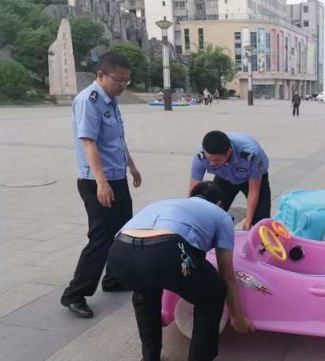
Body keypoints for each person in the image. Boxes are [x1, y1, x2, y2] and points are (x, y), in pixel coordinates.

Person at [107, 182, 254, 361]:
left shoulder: (164, 203)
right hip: (165, 252)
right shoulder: (220, 214)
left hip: (119, 254)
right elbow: (227, 275)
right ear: (220, 203)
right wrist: (238, 317)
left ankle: (150, 357)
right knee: (213, 292)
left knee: (144, 292)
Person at [61, 52, 142, 318]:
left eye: (126, 81)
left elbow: (117, 138)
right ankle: (75, 294)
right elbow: (89, 143)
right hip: (97, 180)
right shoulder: (89, 101)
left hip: (116, 177)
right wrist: (101, 183)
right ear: (100, 75)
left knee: (123, 231)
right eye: (118, 80)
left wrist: (131, 164)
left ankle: (113, 278)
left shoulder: (111, 100)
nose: (121, 86)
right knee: (100, 238)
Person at [189, 131, 270, 231]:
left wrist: (248, 220)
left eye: (216, 160)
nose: (212, 163)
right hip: (224, 177)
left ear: (229, 152)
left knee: (261, 225)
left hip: (252, 178)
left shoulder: (251, 154)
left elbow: (254, 190)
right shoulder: (200, 156)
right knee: (208, 217)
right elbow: (194, 191)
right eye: (209, 159)